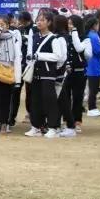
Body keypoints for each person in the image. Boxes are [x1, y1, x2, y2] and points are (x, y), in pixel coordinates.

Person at [25, 11, 67, 139]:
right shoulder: (35, 37)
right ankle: (36, 127)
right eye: (38, 20)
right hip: (36, 74)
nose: (39, 22)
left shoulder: (54, 38)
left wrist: (40, 56)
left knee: (50, 101)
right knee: (35, 101)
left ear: (49, 22)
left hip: (48, 74)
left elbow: (58, 56)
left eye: (42, 20)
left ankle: (53, 127)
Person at [84, 15, 100, 117]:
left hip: (91, 64)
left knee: (93, 88)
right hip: (94, 65)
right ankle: (91, 108)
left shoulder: (89, 34)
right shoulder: (93, 35)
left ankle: (93, 107)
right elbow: (98, 50)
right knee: (94, 88)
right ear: (94, 25)